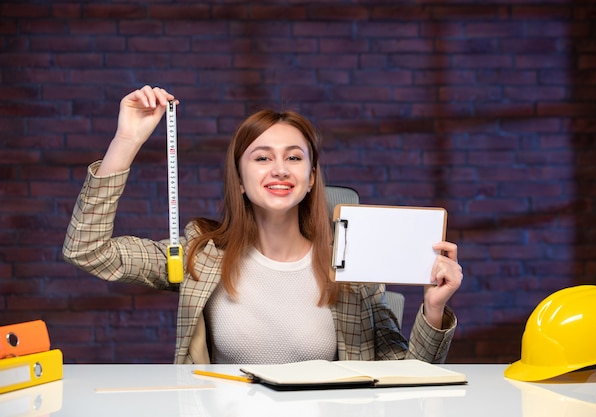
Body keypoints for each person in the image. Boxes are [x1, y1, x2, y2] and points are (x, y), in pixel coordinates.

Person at [63, 85, 463, 365]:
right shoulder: (200, 255)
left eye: (293, 158)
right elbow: (88, 250)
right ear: (238, 180)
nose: (279, 169)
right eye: (261, 157)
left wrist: (433, 310)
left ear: (310, 180)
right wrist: (126, 140)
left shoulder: (353, 270)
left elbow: (409, 379)